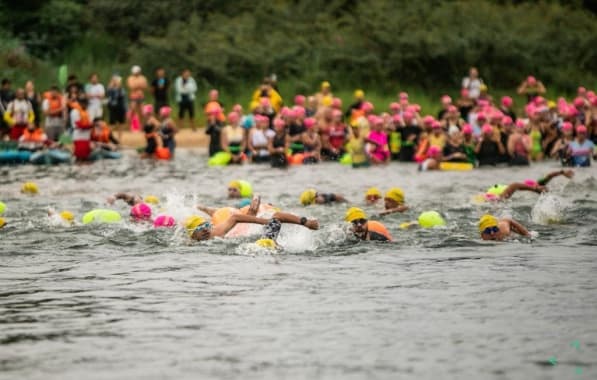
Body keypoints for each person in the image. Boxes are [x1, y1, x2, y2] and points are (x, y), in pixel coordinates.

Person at [185, 210, 319, 242]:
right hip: (260, 248)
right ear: (193, 234)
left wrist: (264, 221)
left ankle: (307, 223)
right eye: (200, 228)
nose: (206, 230)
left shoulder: (216, 232)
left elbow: (235, 217)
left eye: (207, 225)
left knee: (277, 216)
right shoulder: (191, 244)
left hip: (262, 245)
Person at [106, 75, 127, 140]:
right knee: (112, 123)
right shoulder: (110, 89)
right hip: (113, 108)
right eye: (114, 80)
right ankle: (108, 136)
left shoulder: (121, 89)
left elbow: (122, 96)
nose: (116, 82)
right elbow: (108, 94)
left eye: (117, 81)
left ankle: (119, 138)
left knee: (121, 123)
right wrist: (111, 86)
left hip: (120, 108)